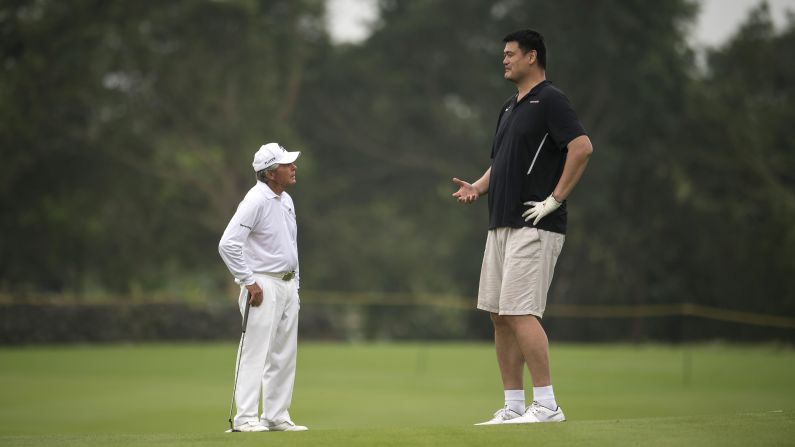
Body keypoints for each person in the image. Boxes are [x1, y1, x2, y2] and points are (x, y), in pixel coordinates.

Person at [452, 29, 593, 425]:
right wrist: (478, 188)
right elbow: (503, 161)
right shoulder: (509, 107)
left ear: (532, 57)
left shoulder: (551, 99)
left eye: (511, 54)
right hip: (499, 223)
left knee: (519, 311)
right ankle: (514, 406)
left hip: (535, 224)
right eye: (504, 54)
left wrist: (555, 199)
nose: (505, 60)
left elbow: (582, 147)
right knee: (499, 314)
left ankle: (547, 405)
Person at [218, 142, 307, 432]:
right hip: (262, 284)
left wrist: (295, 286)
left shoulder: (286, 200)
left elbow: (289, 246)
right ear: (270, 173)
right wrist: (248, 281)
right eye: (286, 164)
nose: (293, 168)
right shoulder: (255, 200)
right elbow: (228, 244)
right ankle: (244, 419)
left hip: (286, 284)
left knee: (283, 353)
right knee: (255, 352)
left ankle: (276, 415)